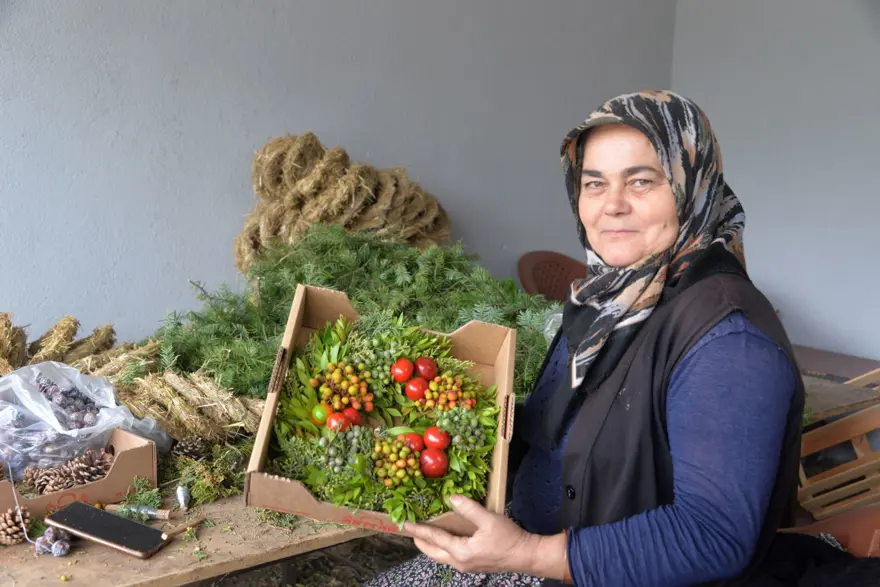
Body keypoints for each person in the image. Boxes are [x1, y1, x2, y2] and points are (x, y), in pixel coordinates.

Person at [366, 90, 807, 587]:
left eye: (641, 181)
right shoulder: (608, 299)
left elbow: (712, 537)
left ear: (693, 187)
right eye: (594, 183)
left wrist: (528, 554)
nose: (612, 205)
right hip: (527, 547)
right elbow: (561, 430)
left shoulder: (729, 342)